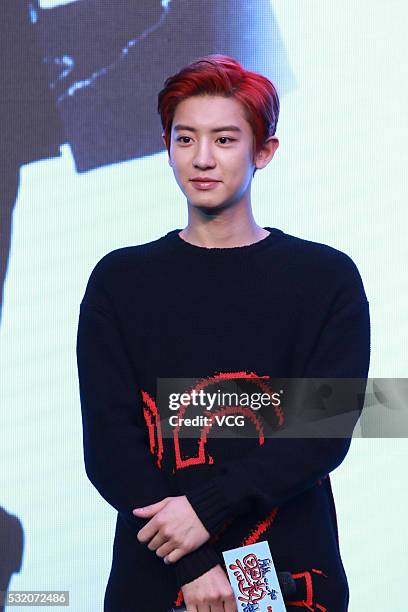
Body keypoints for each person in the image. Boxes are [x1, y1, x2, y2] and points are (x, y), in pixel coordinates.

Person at [76, 54, 370, 611]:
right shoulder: (121, 280)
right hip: (157, 577)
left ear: (264, 151)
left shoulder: (326, 277)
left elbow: (325, 433)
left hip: (291, 577)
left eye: (225, 139)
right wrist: (193, 564)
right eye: (185, 139)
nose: (202, 159)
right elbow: (111, 449)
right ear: (166, 147)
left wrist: (205, 510)